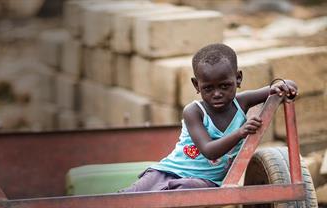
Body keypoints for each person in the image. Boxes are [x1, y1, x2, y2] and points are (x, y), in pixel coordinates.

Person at [119, 43, 298, 192]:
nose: (217, 94)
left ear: (238, 78)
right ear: (197, 85)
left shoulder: (242, 102)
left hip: (204, 182)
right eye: (208, 88)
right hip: (168, 171)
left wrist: (286, 85)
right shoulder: (193, 111)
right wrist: (241, 132)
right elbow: (209, 150)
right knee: (127, 197)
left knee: (187, 189)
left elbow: (277, 88)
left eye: (224, 86)